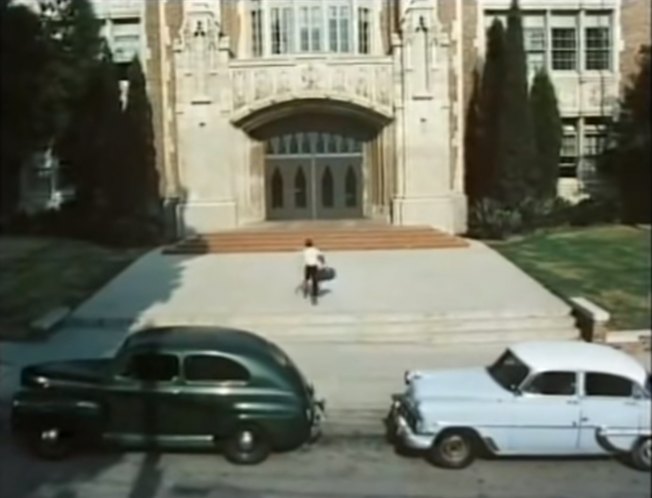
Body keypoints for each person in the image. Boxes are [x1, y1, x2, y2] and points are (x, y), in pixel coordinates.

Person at [302, 238, 323, 304]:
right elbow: (321, 256)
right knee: (314, 281)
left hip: (308, 266)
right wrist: (323, 263)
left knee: (306, 279)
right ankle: (314, 296)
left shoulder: (304, 251)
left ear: (306, 245)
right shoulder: (315, 250)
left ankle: (305, 290)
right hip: (314, 266)